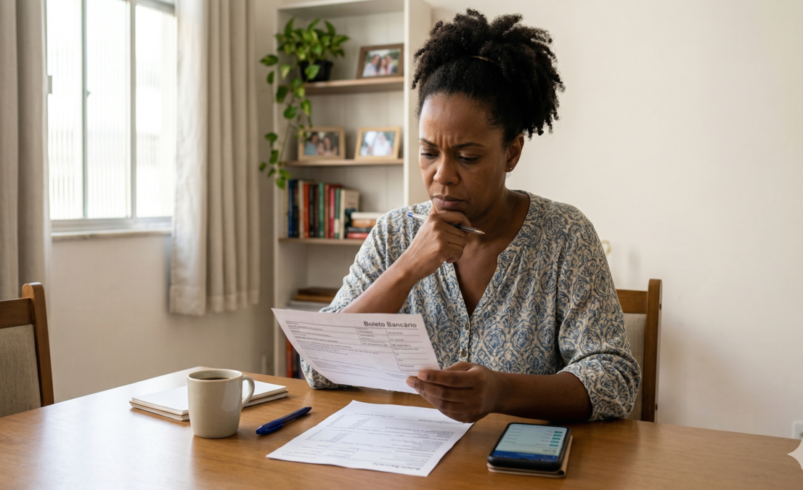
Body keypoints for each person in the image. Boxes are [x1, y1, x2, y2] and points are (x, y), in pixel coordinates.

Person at [302, 9, 641, 424]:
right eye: (428, 153)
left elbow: (614, 379)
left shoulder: (565, 236)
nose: (442, 175)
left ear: (512, 152)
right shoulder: (394, 233)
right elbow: (318, 368)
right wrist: (407, 267)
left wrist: (501, 390)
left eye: (467, 156)